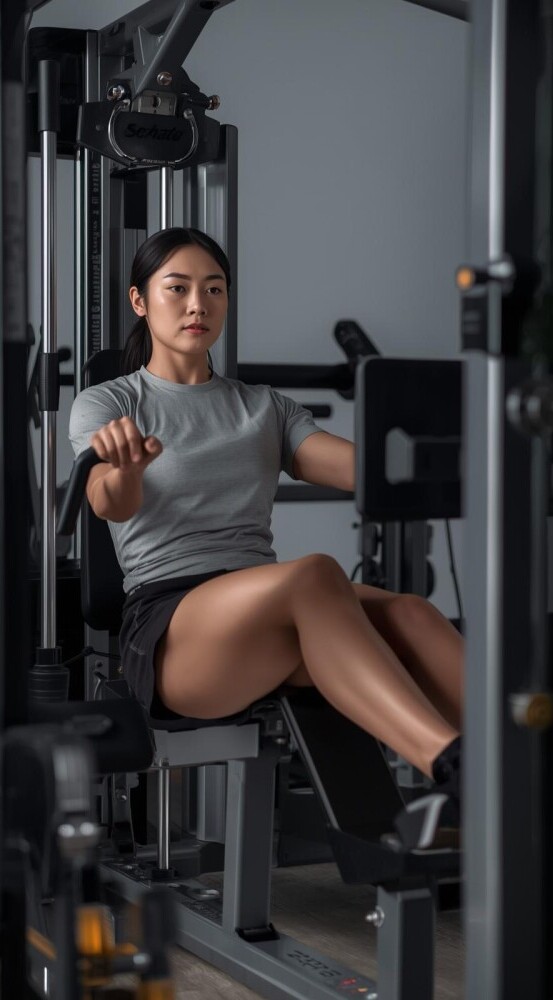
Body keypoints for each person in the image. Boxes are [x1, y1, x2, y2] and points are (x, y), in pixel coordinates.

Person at [69, 226, 462, 837]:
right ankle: (453, 768)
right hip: (175, 629)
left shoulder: (263, 407)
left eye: (214, 289)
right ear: (140, 301)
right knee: (313, 575)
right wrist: (125, 469)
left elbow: (363, 469)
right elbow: (108, 505)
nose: (199, 304)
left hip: (270, 611)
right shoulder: (111, 403)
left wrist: (474, 460)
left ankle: (515, 762)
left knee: (409, 612)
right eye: (178, 288)